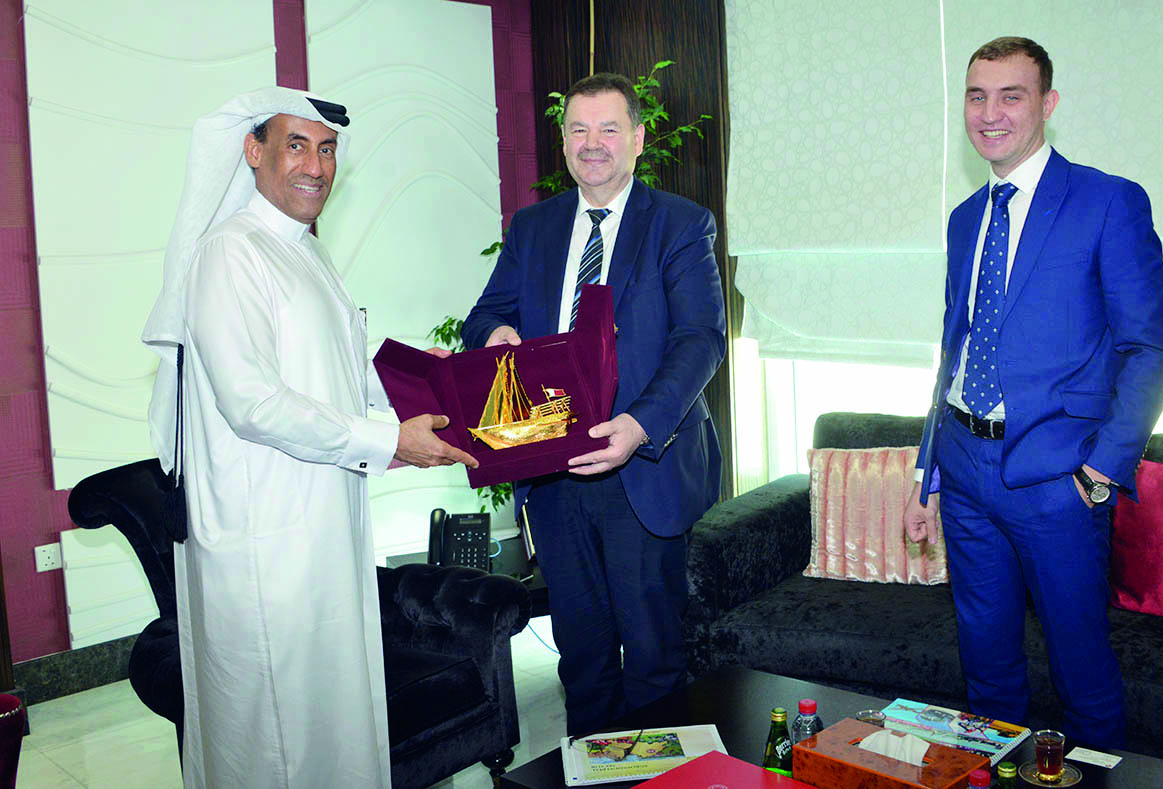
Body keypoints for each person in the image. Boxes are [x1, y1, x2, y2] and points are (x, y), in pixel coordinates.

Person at [141, 88, 477, 788]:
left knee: (331, 721)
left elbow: (344, 370)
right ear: (253, 150)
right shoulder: (230, 253)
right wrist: (390, 442)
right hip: (267, 542)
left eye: (326, 149)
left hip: (322, 525)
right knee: (273, 734)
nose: (316, 166)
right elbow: (253, 402)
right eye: (296, 144)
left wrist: (429, 380)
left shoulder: (305, 252)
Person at [903, 38, 1163, 748]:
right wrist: (926, 470)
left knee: (1082, 678)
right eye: (976, 95)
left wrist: (1099, 473)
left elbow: (1150, 349)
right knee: (988, 676)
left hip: (1058, 481)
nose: (989, 113)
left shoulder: (1107, 201)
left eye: (1010, 95)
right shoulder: (967, 218)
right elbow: (953, 348)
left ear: (1047, 104)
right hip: (963, 472)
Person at [461, 72, 726, 735]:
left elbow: (701, 340)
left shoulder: (681, 224)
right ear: (564, 142)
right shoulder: (533, 227)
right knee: (581, 656)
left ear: (637, 139)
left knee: (654, 657)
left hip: (644, 467)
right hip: (552, 474)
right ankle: (593, 774)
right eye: (579, 129)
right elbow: (485, 314)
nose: (593, 143)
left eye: (609, 129)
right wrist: (495, 334)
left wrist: (639, 426)